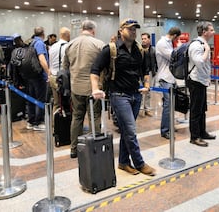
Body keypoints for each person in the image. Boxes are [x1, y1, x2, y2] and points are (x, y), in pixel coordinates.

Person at [90, 18, 156, 176]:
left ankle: (123, 162)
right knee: (131, 131)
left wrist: (146, 85)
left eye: (135, 29)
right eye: (130, 29)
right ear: (121, 31)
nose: (133, 32)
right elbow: (94, 70)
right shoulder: (110, 49)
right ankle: (139, 163)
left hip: (136, 95)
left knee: (127, 130)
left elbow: (145, 70)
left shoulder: (139, 50)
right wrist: (95, 88)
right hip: (119, 96)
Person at [63, 20, 105, 158]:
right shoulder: (99, 44)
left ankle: (74, 149)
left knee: (77, 117)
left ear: (82, 29)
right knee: (95, 117)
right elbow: (106, 68)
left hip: (76, 87)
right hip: (94, 89)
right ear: (93, 30)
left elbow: (65, 68)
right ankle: (96, 148)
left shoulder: (70, 45)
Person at [187, 22, 217, 147]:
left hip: (202, 81)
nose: (213, 32)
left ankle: (202, 132)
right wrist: (207, 50)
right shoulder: (196, 45)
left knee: (202, 109)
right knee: (195, 110)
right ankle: (194, 137)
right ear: (204, 32)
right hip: (195, 81)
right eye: (211, 30)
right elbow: (199, 62)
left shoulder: (202, 44)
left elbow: (205, 66)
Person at [155, 27, 182, 139]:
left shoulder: (169, 43)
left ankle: (169, 126)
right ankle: (165, 130)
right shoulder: (162, 43)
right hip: (165, 77)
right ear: (175, 35)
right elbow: (173, 57)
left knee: (171, 104)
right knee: (168, 105)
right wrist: (180, 48)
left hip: (171, 77)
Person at [26, 27, 50, 131]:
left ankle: (31, 121)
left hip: (31, 75)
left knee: (31, 98)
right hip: (39, 76)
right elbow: (41, 59)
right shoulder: (40, 43)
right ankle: (38, 122)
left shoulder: (31, 42)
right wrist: (48, 73)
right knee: (41, 99)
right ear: (43, 34)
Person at [48, 27, 71, 113]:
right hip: (64, 78)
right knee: (68, 102)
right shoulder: (69, 46)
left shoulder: (52, 47)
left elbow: (50, 62)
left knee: (56, 103)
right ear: (68, 35)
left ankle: (56, 125)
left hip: (53, 77)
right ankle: (67, 124)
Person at [140, 32, 157, 117]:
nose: (143, 40)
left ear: (149, 39)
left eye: (145, 38)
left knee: (148, 91)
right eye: (142, 39)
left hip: (150, 73)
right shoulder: (139, 49)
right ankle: (140, 109)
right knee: (140, 91)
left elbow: (155, 61)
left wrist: (155, 71)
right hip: (141, 73)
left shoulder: (153, 50)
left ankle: (147, 109)